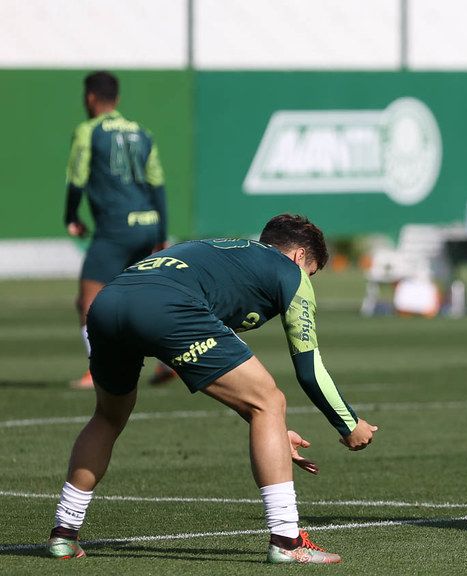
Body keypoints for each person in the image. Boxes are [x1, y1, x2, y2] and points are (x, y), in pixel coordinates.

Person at [46, 214, 378, 564]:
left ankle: (63, 535)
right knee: (269, 400)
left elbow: (224, 371)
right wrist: (349, 424)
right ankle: (287, 541)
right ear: (298, 257)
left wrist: (274, 430)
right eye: (311, 273)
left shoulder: (223, 256)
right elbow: (309, 369)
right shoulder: (289, 272)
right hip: (166, 307)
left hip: (108, 302)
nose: (306, 281)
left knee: (108, 417)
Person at [64, 71, 176, 389]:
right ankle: (169, 361)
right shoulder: (142, 132)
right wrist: (162, 235)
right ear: (118, 100)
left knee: (87, 301)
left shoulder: (89, 131)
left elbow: (76, 178)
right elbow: (158, 185)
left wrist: (71, 216)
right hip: (147, 225)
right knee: (142, 299)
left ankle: (96, 371)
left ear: (89, 98)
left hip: (115, 227)